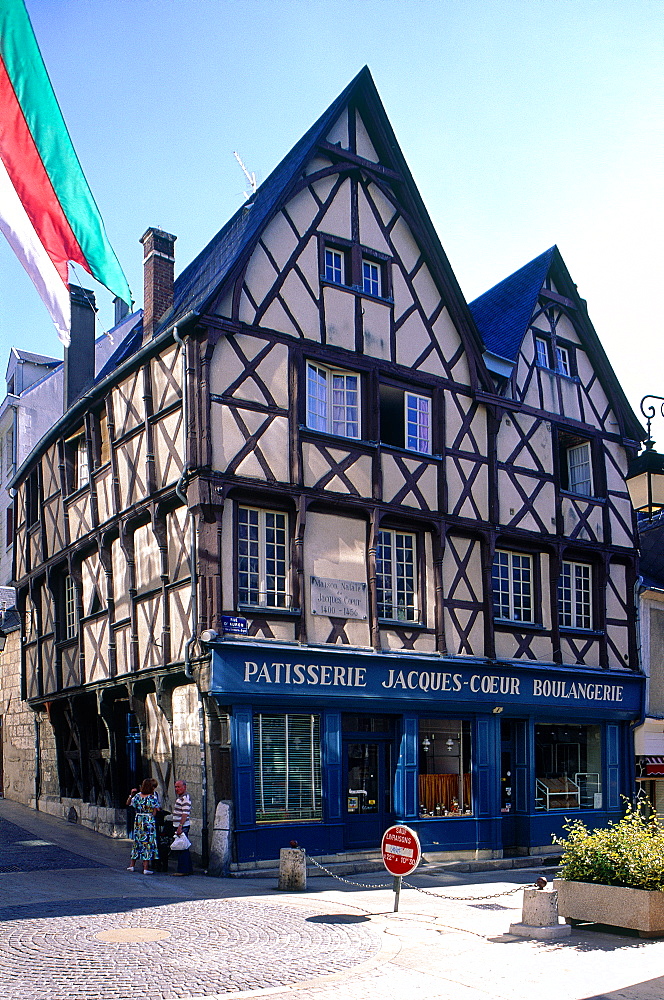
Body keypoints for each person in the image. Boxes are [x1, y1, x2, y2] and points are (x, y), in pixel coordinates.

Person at [126, 778, 159, 874]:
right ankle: (145, 868)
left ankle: (132, 865)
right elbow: (156, 810)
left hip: (139, 819)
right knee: (147, 843)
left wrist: (131, 795)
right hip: (148, 820)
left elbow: (128, 803)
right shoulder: (152, 798)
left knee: (137, 841)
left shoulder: (137, 796)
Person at [171, 779, 193, 875]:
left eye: (179, 787)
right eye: (175, 787)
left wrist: (180, 826)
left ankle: (183, 870)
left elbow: (185, 814)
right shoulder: (181, 798)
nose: (177, 789)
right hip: (179, 826)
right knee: (183, 847)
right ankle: (187, 869)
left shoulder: (185, 798)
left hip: (182, 827)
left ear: (184, 787)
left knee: (182, 848)